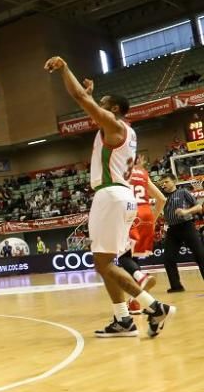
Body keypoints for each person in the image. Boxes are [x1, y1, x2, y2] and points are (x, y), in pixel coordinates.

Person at [46, 56, 174, 338]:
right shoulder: (125, 132)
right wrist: (91, 98)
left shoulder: (114, 125)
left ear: (114, 109)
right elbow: (89, 103)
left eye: (102, 103)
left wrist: (65, 67)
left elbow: (79, 97)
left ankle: (153, 307)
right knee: (105, 264)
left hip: (111, 196)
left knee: (104, 264)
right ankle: (123, 320)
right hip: (122, 197)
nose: (97, 106)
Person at [116, 156, 167, 313]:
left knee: (123, 257)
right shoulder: (143, 173)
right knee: (133, 258)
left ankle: (141, 277)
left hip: (130, 213)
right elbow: (161, 199)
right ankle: (136, 302)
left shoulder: (118, 172)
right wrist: (152, 220)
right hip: (145, 214)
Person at [158, 173, 204, 293]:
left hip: (187, 226)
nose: (164, 184)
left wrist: (186, 211)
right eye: (162, 183)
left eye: (166, 181)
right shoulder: (161, 196)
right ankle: (176, 286)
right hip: (172, 230)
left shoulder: (183, 192)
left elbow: (199, 207)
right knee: (168, 258)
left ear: (174, 181)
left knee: (200, 255)